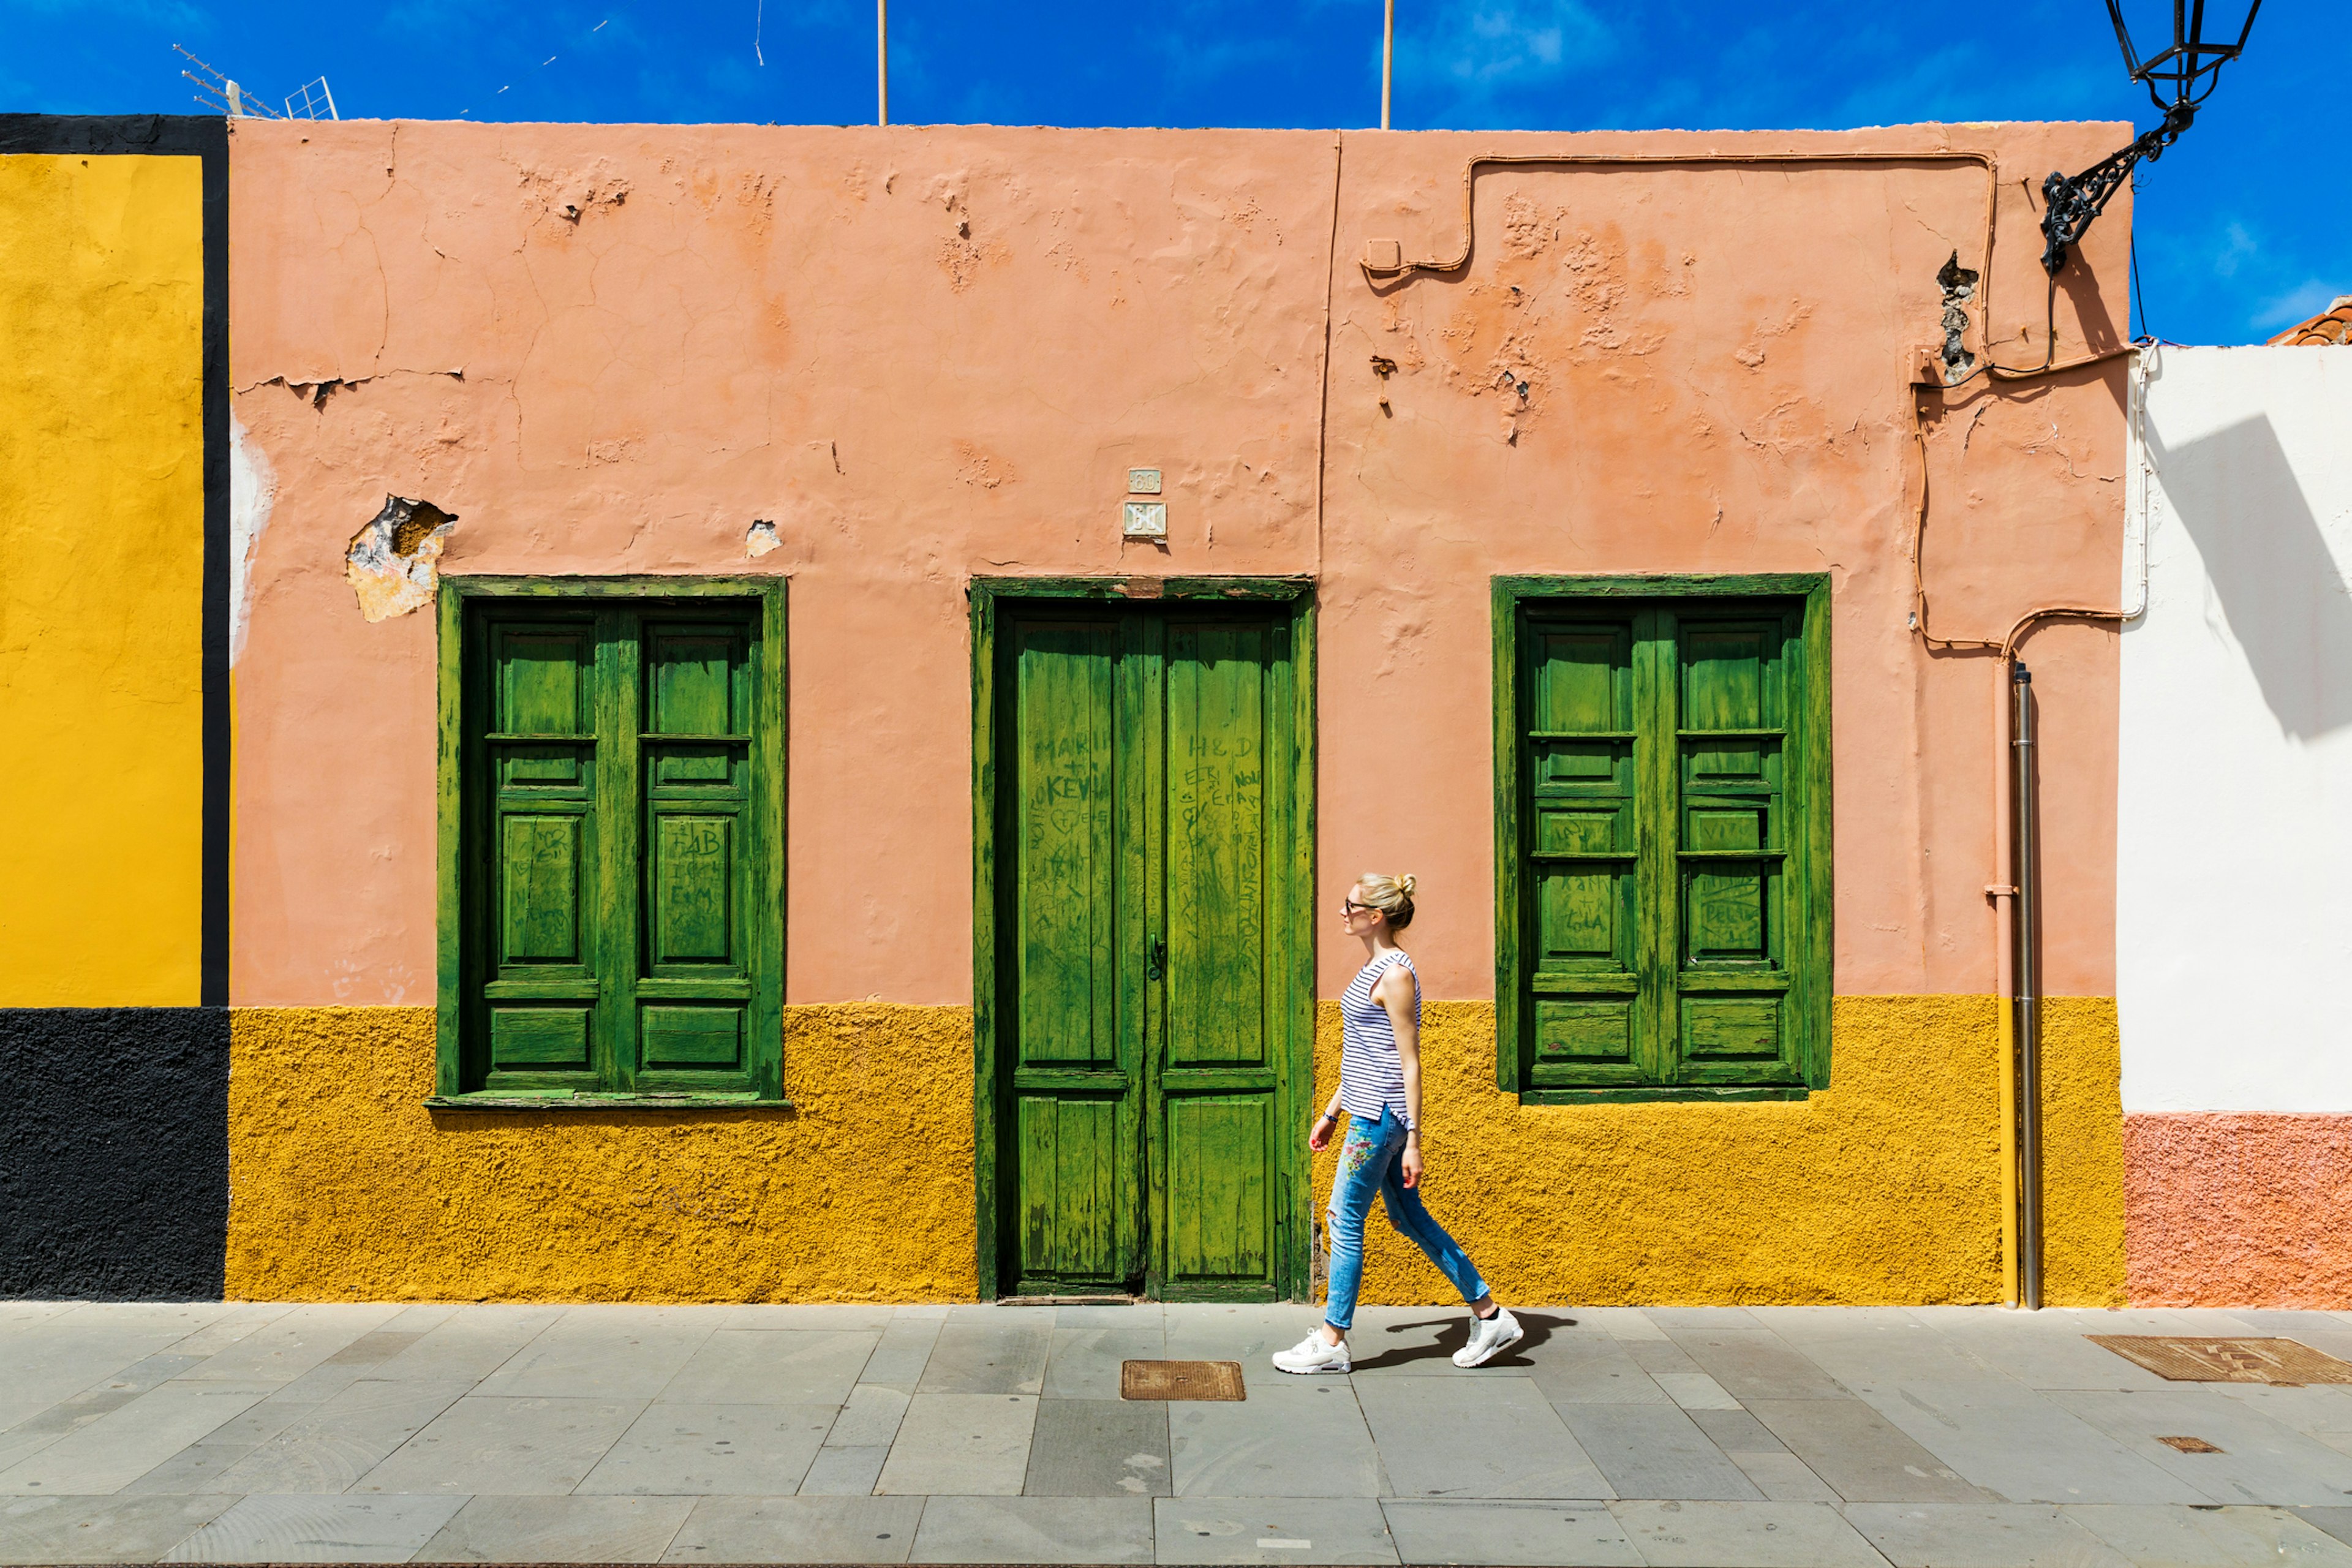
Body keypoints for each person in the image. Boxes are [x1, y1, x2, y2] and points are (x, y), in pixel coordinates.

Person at [1272, 873, 1521, 1374]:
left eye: (1351, 905)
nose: (1343, 912)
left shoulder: (1396, 975)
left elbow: (1409, 1062)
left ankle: (1332, 1341)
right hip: (1365, 1112)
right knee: (1407, 1218)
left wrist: (1414, 1142)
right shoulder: (1372, 968)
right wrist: (1330, 1112)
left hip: (1381, 1121)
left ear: (1376, 915)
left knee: (1343, 1220)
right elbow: (1367, 1057)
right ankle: (1490, 1315)